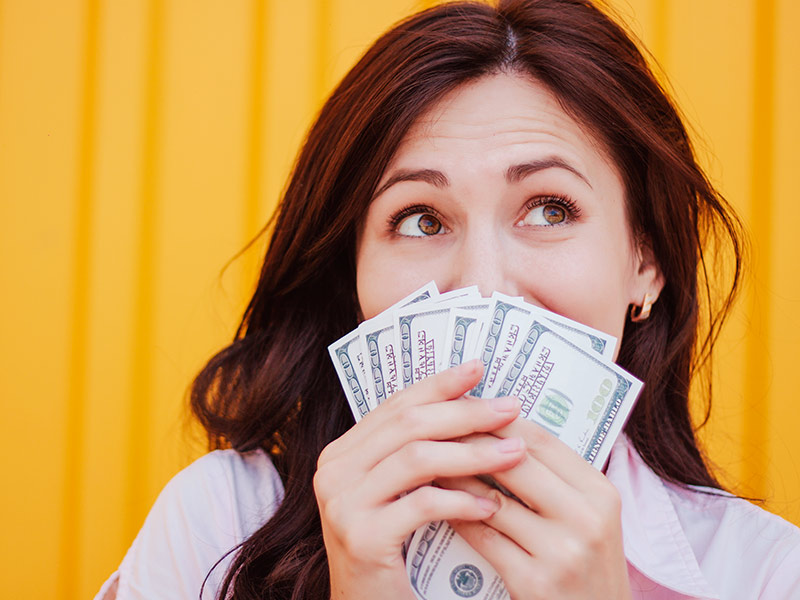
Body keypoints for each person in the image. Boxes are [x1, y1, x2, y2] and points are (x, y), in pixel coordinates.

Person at [95, 0, 800, 598]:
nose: (484, 288)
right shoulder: (219, 525)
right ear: (354, 278)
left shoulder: (765, 574)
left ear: (646, 263)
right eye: (422, 219)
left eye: (550, 209)